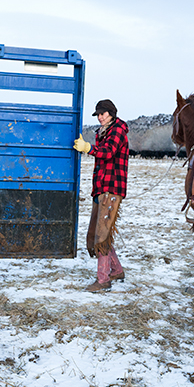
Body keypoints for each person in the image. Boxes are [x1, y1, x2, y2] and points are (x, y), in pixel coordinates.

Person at [73, 99, 129, 292]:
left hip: (112, 189)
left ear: (111, 113)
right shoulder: (103, 132)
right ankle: (116, 270)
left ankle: (103, 280)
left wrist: (89, 148)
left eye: (103, 114)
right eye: (98, 114)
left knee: (102, 235)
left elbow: (108, 152)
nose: (100, 117)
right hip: (101, 188)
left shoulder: (118, 130)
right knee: (98, 232)